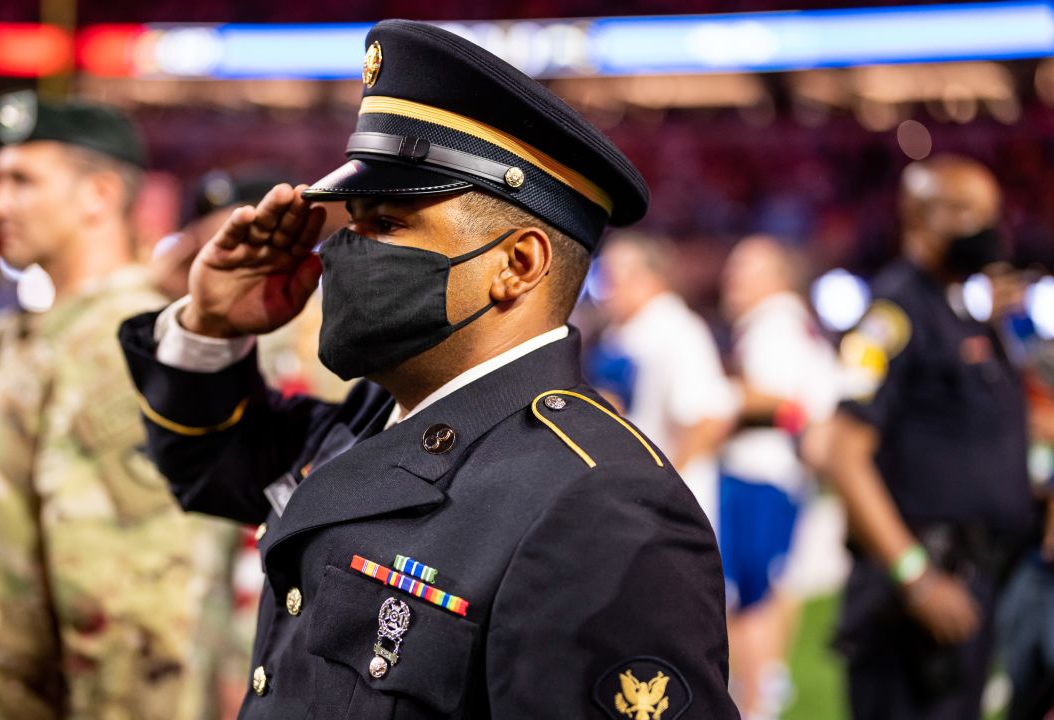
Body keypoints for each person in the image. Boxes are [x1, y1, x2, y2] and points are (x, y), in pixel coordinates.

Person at [119, 20, 738, 719]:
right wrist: (208, 326)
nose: (344, 252)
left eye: (386, 222)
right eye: (351, 221)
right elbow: (208, 463)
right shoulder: (378, 416)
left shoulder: (598, 506)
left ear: (517, 265)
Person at [0, 91, 242, 720]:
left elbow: (137, 633)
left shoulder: (118, 348)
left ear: (99, 195)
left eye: (21, 181)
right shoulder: (48, 330)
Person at [825, 155, 1043, 719]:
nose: (989, 229)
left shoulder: (964, 313)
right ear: (919, 217)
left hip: (975, 578)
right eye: (969, 211)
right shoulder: (893, 314)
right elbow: (843, 453)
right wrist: (915, 576)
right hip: (916, 596)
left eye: (993, 213)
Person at [718, 235, 838, 719]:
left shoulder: (775, 326)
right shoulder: (795, 324)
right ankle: (764, 687)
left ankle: (755, 700)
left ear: (775, 279)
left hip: (758, 472)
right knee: (766, 587)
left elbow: (783, 404)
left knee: (748, 595)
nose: (731, 281)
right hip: (780, 475)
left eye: (743, 270)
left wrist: (714, 393)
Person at [591, 232, 738, 527]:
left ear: (649, 277)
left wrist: (663, 489)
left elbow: (707, 421)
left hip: (666, 505)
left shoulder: (678, 330)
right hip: (629, 495)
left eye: (614, 276)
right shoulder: (621, 332)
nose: (606, 289)